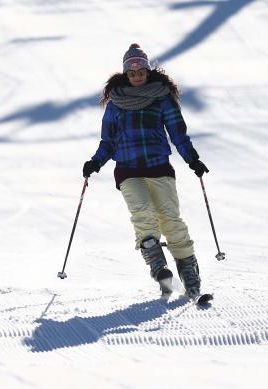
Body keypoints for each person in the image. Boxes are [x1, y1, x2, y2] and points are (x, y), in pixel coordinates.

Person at [82, 43, 209, 298]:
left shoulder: (162, 99)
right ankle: (159, 268)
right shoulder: (116, 104)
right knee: (143, 215)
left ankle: (189, 273)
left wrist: (192, 159)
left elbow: (178, 133)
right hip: (128, 170)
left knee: (170, 220)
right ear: (126, 74)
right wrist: (95, 162)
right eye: (132, 73)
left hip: (159, 166)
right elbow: (108, 141)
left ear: (148, 72)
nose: (137, 76)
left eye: (141, 72)